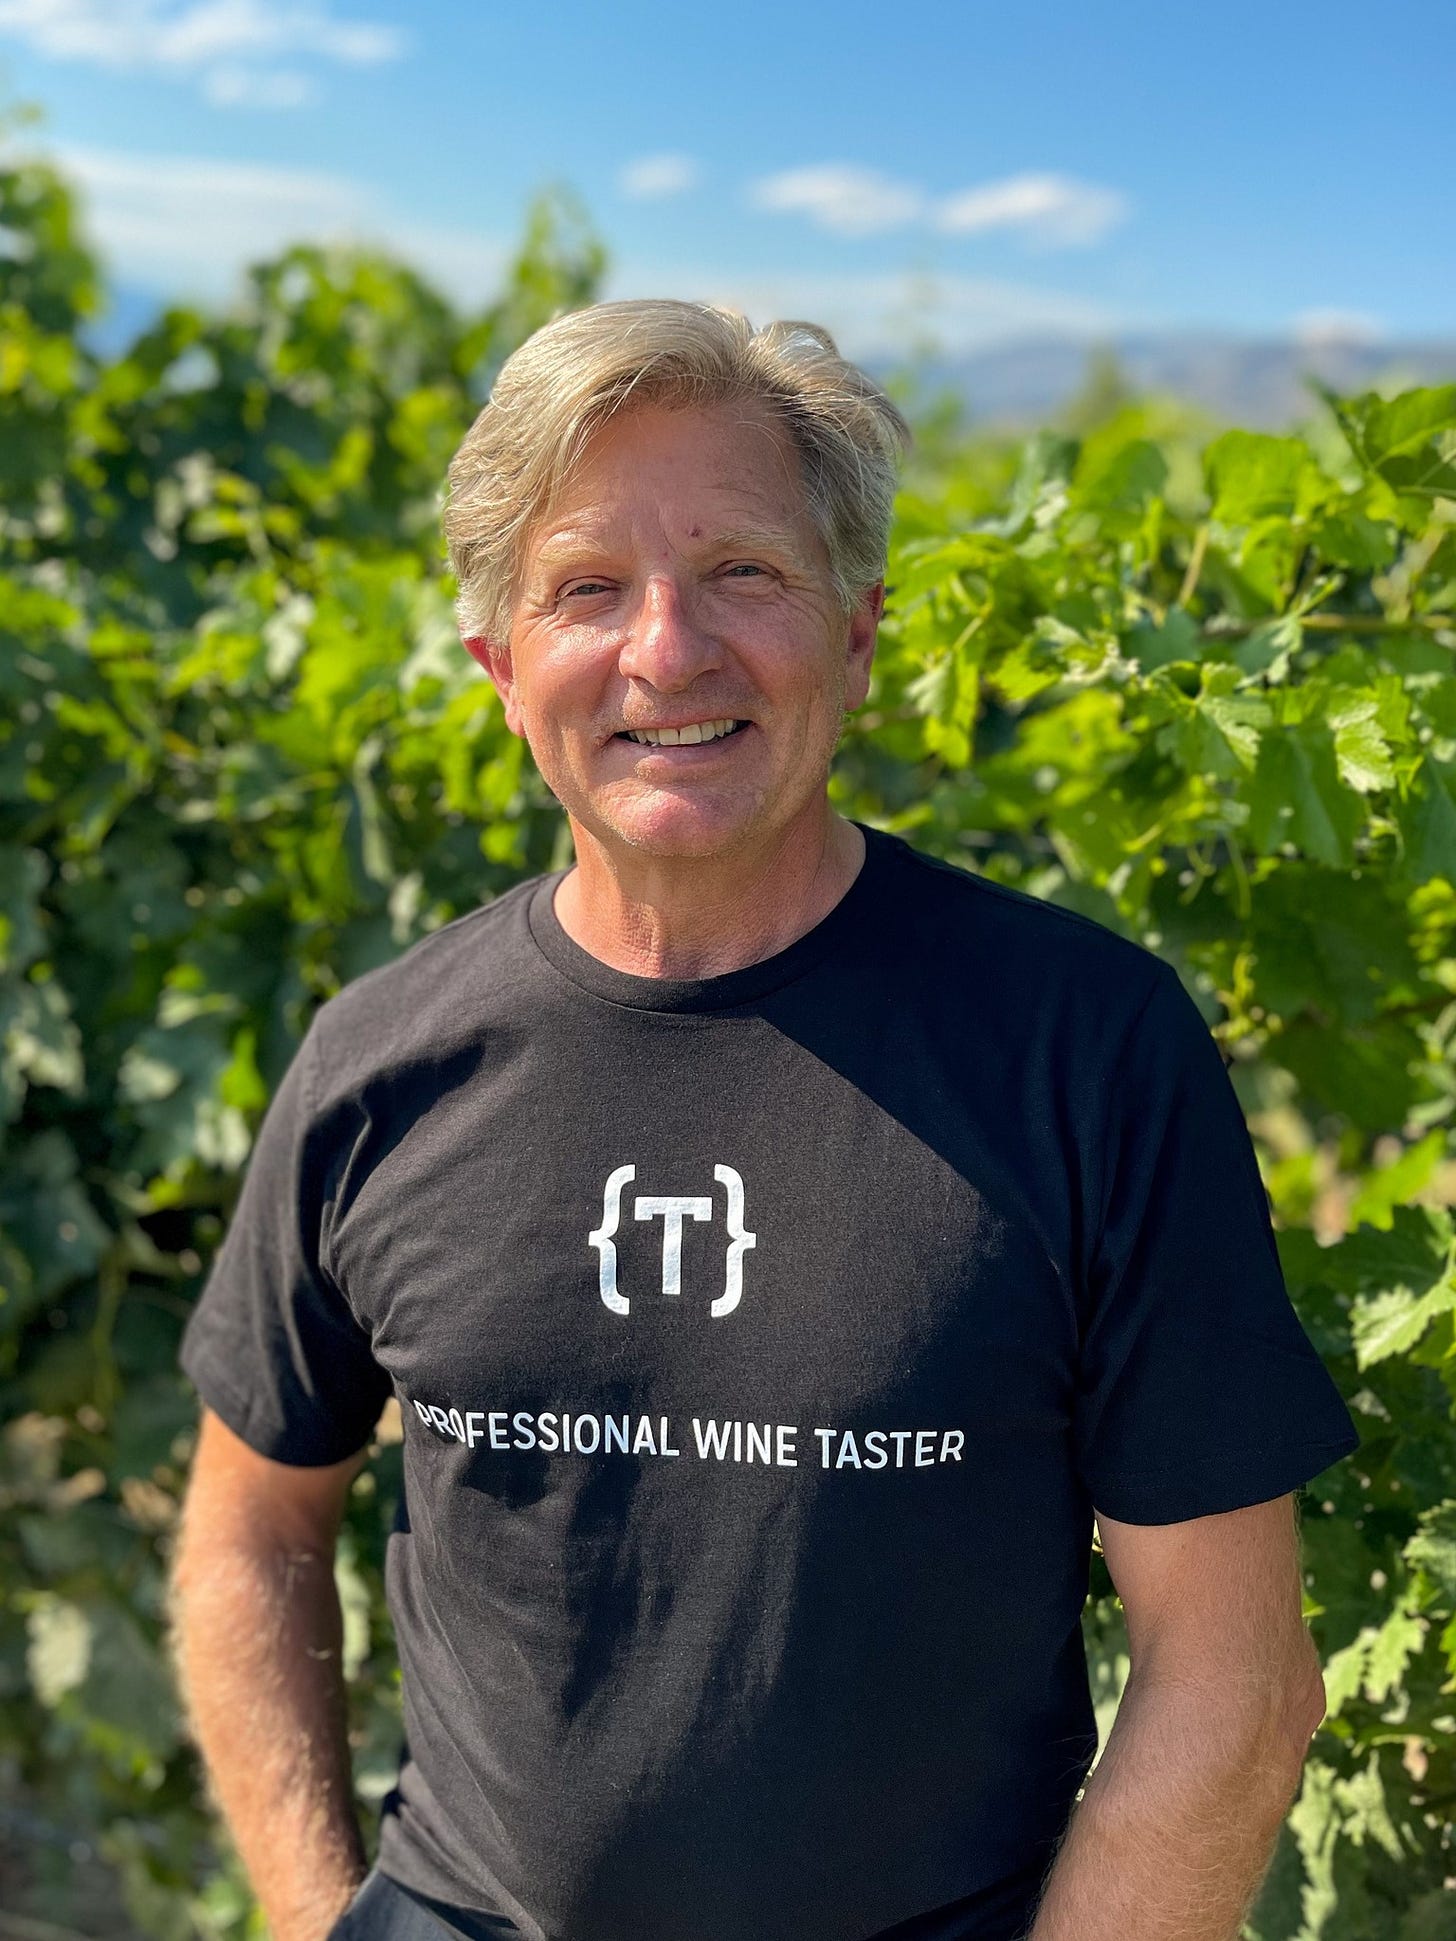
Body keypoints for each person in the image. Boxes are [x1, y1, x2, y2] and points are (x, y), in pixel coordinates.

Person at [170, 298, 1361, 1941]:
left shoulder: (1085, 1050)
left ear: (858, 633)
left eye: (744, 570)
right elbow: (248, 1521)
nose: (668, 648)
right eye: (587, 588)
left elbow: (1235, 1675)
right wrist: (321, 1919)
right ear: (503, 667)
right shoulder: (376, 1064)